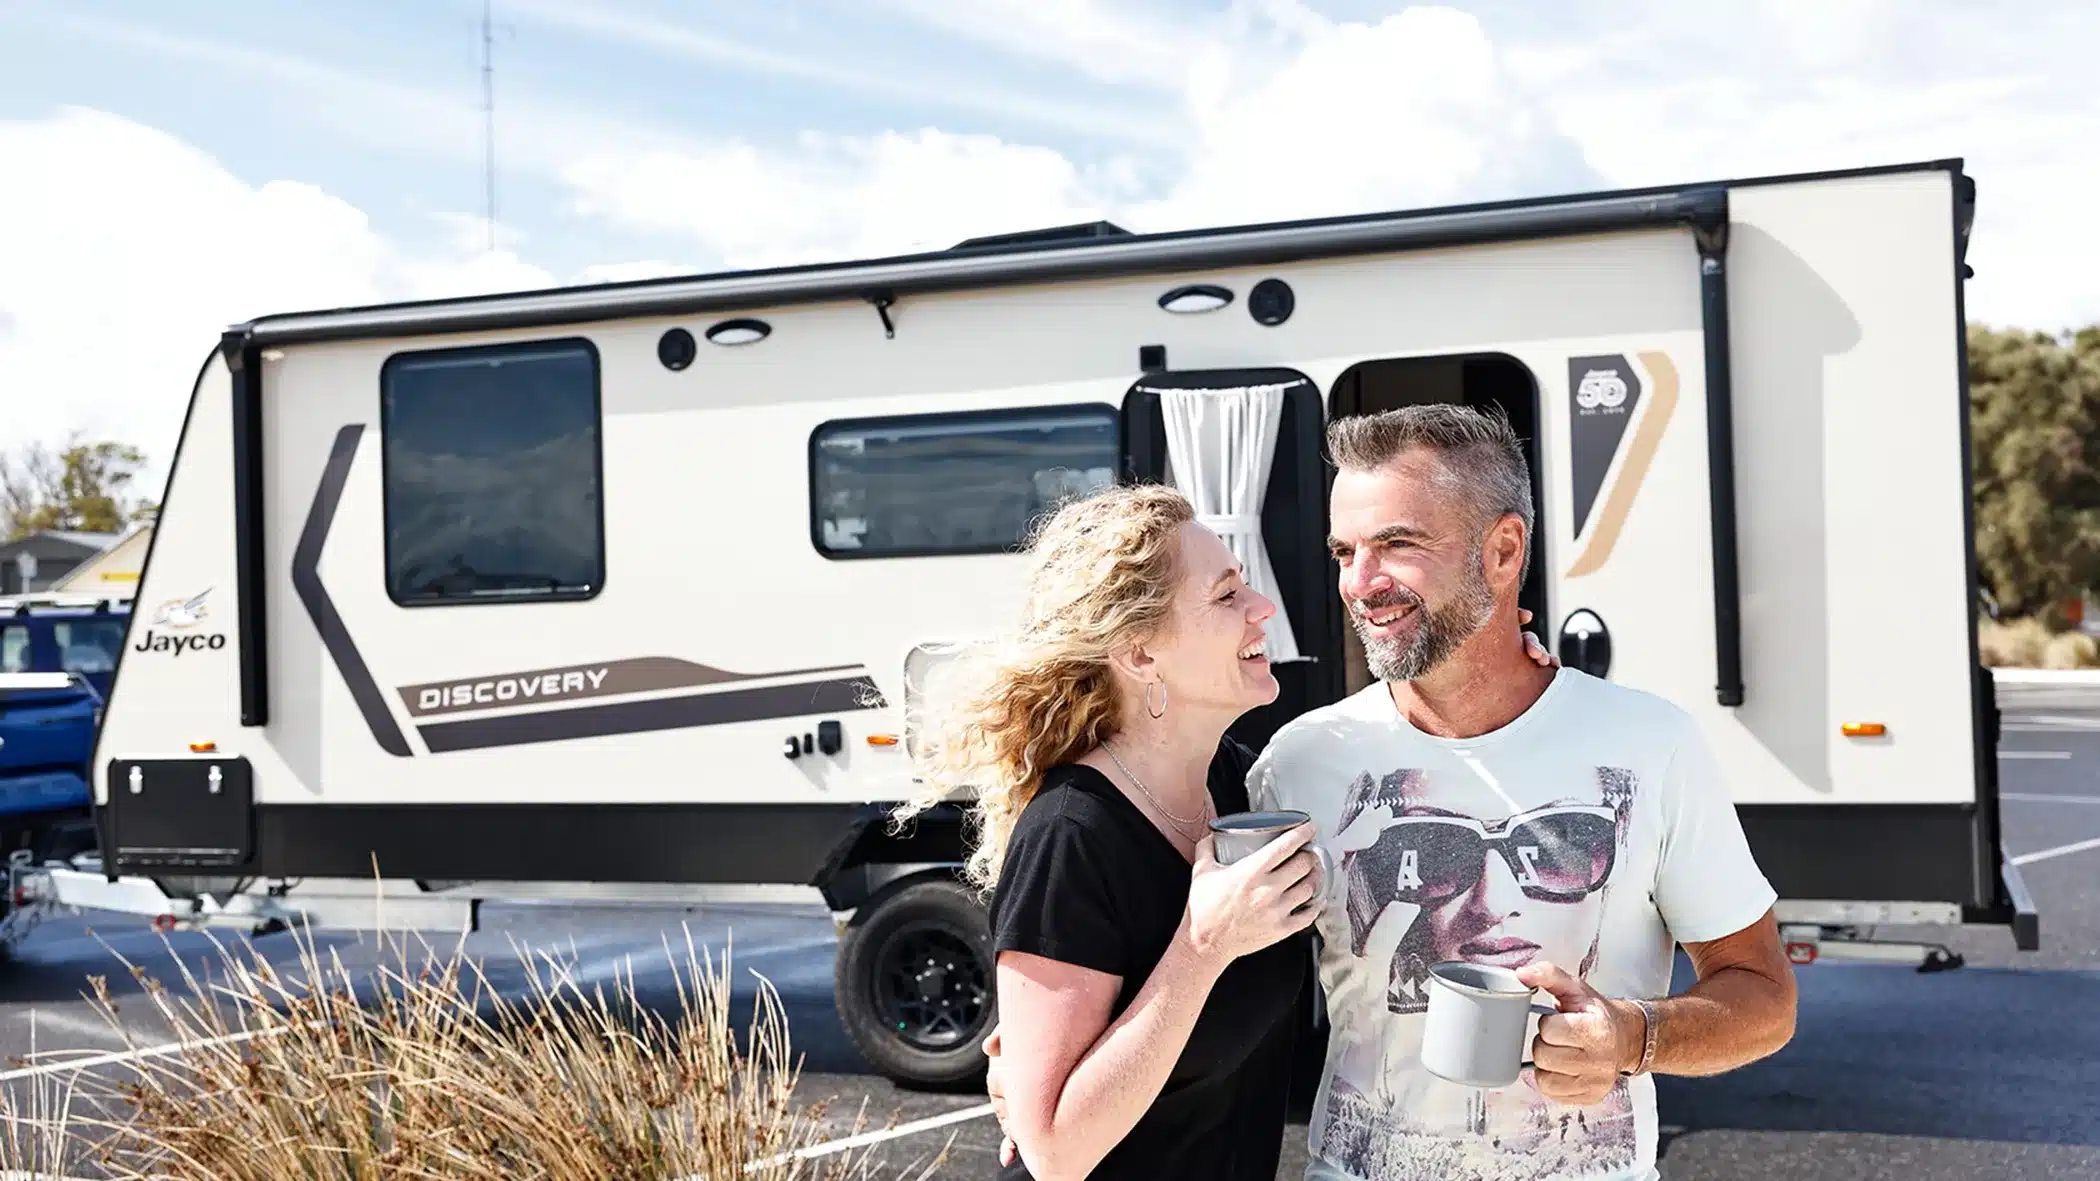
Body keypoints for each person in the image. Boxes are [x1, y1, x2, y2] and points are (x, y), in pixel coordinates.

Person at [983, 403, 1797, 1181]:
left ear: (1505, 552)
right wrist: (1026, 1057)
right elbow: (1149, 952)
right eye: (1344, 552)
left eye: (1397, 544)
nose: (1359, 583)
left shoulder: (1650, 745)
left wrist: (1634, 1034)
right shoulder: (1295, 768)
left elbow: (1763, 996)